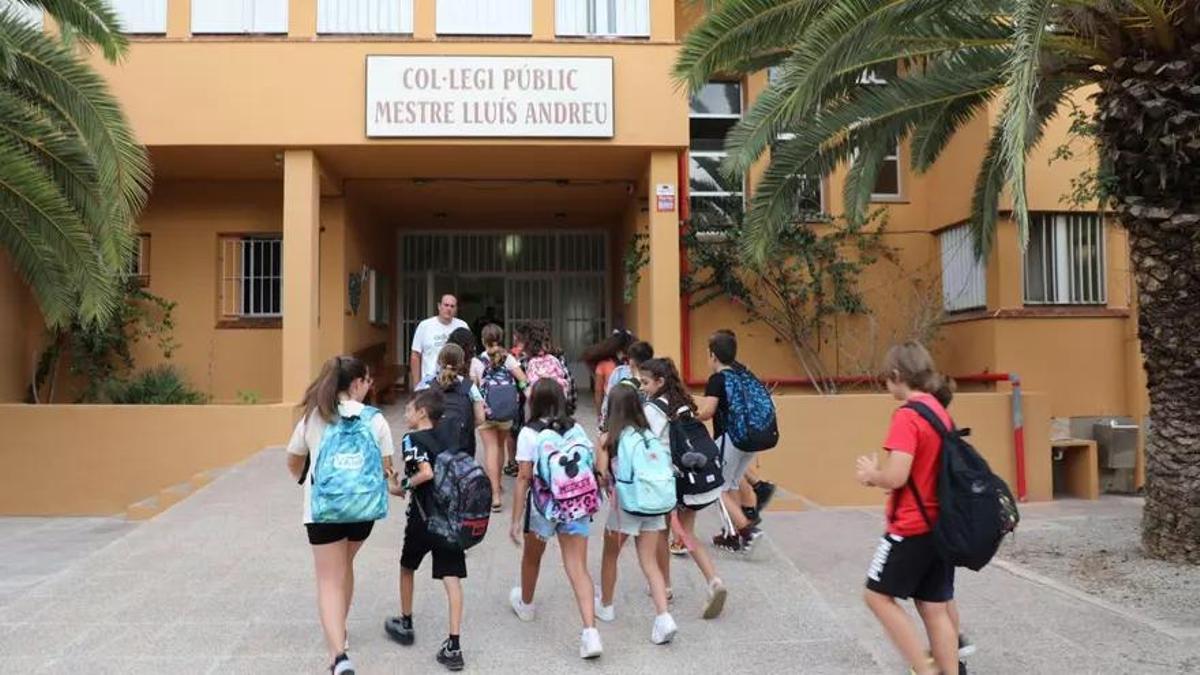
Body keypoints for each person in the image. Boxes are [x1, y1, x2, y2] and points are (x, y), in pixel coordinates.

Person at [855, 341, 960, 675]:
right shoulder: (940, 412)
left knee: (876, 597)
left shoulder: (907, 416)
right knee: (934, 607)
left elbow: (898, 475)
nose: (887, 385)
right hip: (941, 525)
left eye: (887, 378)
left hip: (911, 526)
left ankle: (923, 670)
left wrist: (873, 476)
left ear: (898, 375)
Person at [286, 356, 395, 675]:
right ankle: (341, 633)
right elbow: (387, 471)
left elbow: (293, 461)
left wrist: (306, 482)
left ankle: (338, 656)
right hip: (362, 512)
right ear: (356, 383)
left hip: (323, 510)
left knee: (329, 580)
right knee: (345, 566)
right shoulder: (376, 420)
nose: (369, 386)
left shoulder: (314, 418)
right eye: (367, 381)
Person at [508, 378, 603, 660]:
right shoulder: (576, 427)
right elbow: (592, 462)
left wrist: (515, 519)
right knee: (578, 567)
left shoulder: (529, 433)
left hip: (543, 507)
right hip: (576, 504)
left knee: (532, 557)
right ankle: (590, 632)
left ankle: (526, 603)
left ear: (533, 401)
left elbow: (524, 477)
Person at [383, 390, 468, 672]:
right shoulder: (449, 436)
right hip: (451, 517)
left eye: (408, 409)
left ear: (421, 413)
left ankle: (406, 622)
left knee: (407, 567)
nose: (405, 414)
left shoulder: (411, 439)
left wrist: (401, 486)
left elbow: (426, 473)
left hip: (423, 517)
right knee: (452, 578)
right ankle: (453, 645)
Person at [637, 357, 728, 618]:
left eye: (645, 382)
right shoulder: (683, 402)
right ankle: (714, 581)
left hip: (671, 481)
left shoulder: (654, 409)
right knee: (687, 534)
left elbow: (648, 444)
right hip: (697, 478)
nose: (642, 388)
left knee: (662, 534)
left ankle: (664, 586)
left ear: (660, 382)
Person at [593, 382, 679, 643]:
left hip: (626, 507)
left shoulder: (608, 438)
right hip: (654, 505)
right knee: (649, 562)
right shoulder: (648, 435)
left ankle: (606, 606)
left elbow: (602, 475)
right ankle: (663, 617)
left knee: (610, 555)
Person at [696, 330, 763, 553]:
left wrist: (687, 415)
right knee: (731, 483)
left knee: (716, 488)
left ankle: (747, 530)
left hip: (730, 439)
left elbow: (708, 412)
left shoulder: (718, 379)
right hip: (751, 439)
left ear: (713, 355)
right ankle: (731, 534)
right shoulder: (743, 374)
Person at [470, 324, 528, 512]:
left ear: (482, 340)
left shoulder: (477, 362)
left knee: (490, 449)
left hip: (486, 412)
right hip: (506, 411)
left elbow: (473, 387)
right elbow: (523, 379)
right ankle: (498, 484)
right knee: (500, 447)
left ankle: (494, 494)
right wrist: (520, 392)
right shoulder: (509, 359)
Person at [429, 344, 486, 459]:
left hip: (434, 445)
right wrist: (466, 426)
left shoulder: (427, 385)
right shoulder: (469, 387)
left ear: (439, 362)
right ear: (461, 364)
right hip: (463, 448)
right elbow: (481, 418)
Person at [411, 294, 469, 391]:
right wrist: (417, 386)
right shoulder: (425, 326)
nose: (449, 309)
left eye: (452, 306)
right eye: (446, 305)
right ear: (439, 306)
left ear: (456, 309)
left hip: (455, 385)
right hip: (429, 385)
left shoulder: (462, 326)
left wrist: (466, 387)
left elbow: (468, 356)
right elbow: (415, 355)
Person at [582, 330, 634, 413]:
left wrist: (599, 414)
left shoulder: (603, 364)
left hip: (611, 407)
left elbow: (598, 392)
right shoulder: (634, 364)